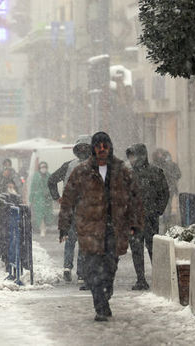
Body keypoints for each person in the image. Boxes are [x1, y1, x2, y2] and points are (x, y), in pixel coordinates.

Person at [58, 131, 142, 322]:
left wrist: (135, 224)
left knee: (110, 267)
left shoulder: (122, 170)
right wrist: (64, 225)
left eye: (105, 146)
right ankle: (101, 305)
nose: (102, 150)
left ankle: (105, 294)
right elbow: (68, 200)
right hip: (89, 230)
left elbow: (135, 199)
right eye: (98, 147)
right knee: (93, 270)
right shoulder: (81, 171)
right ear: (93, 149)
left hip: (114, 229)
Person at [48, 135, 92, 283]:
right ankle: (81, 273)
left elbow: (51, 180)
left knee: (70, 239)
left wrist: (57, 197)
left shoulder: (68, 165)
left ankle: (67, 267)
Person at [126, 143, 170, 290]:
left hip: (149, 218)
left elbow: (164, 192)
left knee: (152, 248)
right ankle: (141, 279)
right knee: (137, 249)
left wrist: (157, 210)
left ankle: (158, 279)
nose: (131, 159)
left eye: (133, 156)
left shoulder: (156, 172)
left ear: (141, 156)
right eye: (130, 156)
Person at [29, 161, 54, 237]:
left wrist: (52, 195)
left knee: (47, 215)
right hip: (38, 199)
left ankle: (44, 227)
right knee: (40, 215)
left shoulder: (49, 176)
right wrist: (31, 199)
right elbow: (33, 188)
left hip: (47, 199)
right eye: (42, 167)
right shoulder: (36, 177)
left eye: (45, 167)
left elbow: (52, 187)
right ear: (39, 168)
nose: (43, 169)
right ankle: (42, 229)